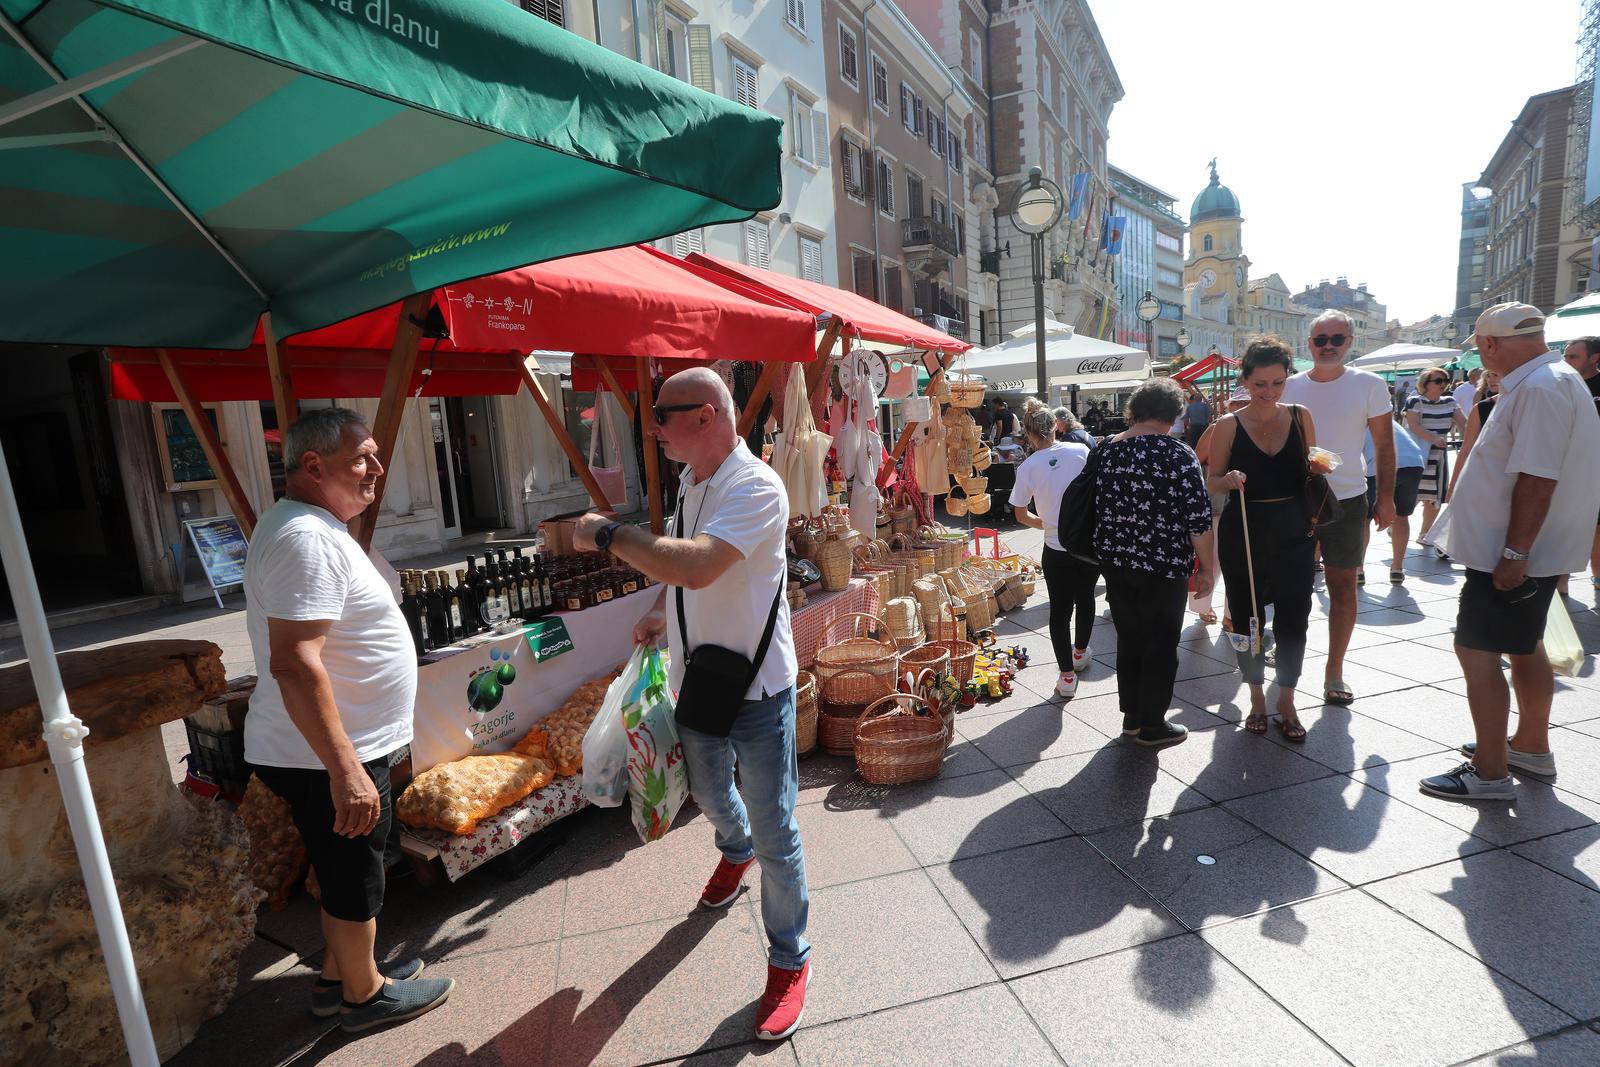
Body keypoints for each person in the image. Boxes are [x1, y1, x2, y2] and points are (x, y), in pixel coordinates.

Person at [572, 367, 810, 1039]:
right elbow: (684, 573)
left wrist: (607, 533)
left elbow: (700, 563)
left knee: (777, 829)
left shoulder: (756, 485)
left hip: (758, 688)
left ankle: (790, 959)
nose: (653, 428)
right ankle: (735, 850)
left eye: (662, 415)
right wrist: (658, 609)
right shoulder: (690, 480)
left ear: (706, 416)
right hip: (699, 678)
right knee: (706, 791)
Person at [243, 408, 453, 1034]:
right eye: (363, 456)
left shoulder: (311, 526)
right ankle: (366, 996)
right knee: (355, 875)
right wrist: (346, 769)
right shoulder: (304, 538)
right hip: (325, 754)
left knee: (345, 868)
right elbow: (296, 663)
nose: (377, 469)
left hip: (332, 749)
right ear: (313, 465)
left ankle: (338, 977)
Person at [1423, 303, 1600, 801]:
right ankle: (1529, 746)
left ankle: (1490, 771)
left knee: (1477, 650)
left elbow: (1538, 476)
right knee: (1526, 647)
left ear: (1490, 345)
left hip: (1515, 554)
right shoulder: (1554, 378)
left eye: (1481, 347)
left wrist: (1514, 553)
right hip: (1529, 551)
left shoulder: (1541, 388)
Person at [1090, 377, 1215, 747]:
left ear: (1135, 410)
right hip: (1164, 565)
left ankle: (1131, 716)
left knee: (1130, 638)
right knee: (1160, 642)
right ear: (1173, 414)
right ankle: (1152, 724)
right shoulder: (1178, 454)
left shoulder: (1107, 450)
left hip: (1116, 561)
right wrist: (1207, 568)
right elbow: (1198, 518)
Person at [1282, 311, 1396, 706]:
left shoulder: (1369, 384)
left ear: (1350, 342)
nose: (1328, 346)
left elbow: (1384, 445)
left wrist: (1386, 496)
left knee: (1343, 585)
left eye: (1336, 339)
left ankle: (1334, 669)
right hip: (1296, 498)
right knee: (1290, 586)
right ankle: (1288, 662)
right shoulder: (1288, 385)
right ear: (1308, 343)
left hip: (1347, 497)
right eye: (1320, 339)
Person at [1205, 338, 1317, 740]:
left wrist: (1319, 467)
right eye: (1260, 384)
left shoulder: (1301, 416)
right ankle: (1256, 697)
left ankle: (1285, 699)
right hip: (1245, 532)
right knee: (1247, 616)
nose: (1269, 392)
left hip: (1294, 530)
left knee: (1295, 618)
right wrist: (1228, 479)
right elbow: (1211, 480)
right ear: (1245, 382)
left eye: (1277, 383)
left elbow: (1311, 471)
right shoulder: (1227, 425)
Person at [1011, 398, 1095, 698]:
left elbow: (1020, 513)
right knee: (1086, 599)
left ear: (1029, 434)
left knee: (1060, 611)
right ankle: (1080, 652)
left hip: (1055, 546)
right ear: (1055, 428)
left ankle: (1067, 677)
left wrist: (1046, 524)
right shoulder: (1081, 451)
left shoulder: (1028, 466)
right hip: (1087, 542)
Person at [1189, 390, 1249, 627]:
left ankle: (1231, 614)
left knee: (1239, 563)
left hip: (1245, 503)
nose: (1243, 406)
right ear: (1229, 405)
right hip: (1216, 500)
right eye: (1238, 402)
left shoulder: (1258, 427)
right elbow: (1196, 458)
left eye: (1247, 402)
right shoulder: (1216, 427)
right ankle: (1202, 605)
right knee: (1211, 560)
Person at [1403, 366, 1466, 544]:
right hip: (1418, 453)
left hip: (1438, 455)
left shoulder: (1450, 401)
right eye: (1438, 381)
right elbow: (1414, 426)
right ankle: (1397, 522)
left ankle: (1425, 534)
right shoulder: (1415, 401)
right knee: (1411, 493)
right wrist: (1434, 438)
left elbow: (1465, 423)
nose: (1443, 384)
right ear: (1426, 383)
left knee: (1434, 496)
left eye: (1445, 380)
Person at [1363, 413, 1428, 584]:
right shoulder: (1386, 419)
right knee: (1401, 516)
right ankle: (1397, 568)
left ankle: (1358, 569)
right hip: (1413, 463)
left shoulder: (1356, 422)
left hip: (1380, 466)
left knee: (1365, 518)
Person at [1561, 337, 1600, 591]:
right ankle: (1560, 581)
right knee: (1563, 523)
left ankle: (1598, 576)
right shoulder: (1561, 385)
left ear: (1594, 358)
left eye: (1573, 356)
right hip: (1567, 467)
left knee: (1598, 525)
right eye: (1565, 355)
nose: (1566, 361)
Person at [1447, 369, 1501, 497]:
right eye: (1489, 375)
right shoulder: (1481, 408)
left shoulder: (1526, 403)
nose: (1490, 379)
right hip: (1486, 475)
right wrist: (1452, 488)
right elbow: (1466, 450)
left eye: (1495, 374)